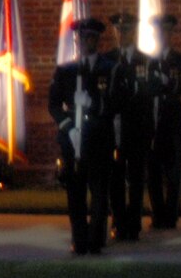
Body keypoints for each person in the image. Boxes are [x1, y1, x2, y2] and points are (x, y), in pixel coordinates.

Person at [49, 17, 127, 256]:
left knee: (99, 192)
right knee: (75, 192)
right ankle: (78, 239)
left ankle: (95, 240)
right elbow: (53, 105)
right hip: (73, 139)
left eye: (91, 38)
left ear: (97, 40)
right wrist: (68, 127)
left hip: (99, 137)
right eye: (82, 38)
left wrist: (95, 104)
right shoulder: (66, 70)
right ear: (77, 40)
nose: (86, 42)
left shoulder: (110, 69)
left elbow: (118, 102)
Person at [144, 13, 181, 229]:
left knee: (173, 173)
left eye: (167, 30)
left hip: (173, 123)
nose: (163, 35)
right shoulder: (146, 61)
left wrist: (168, 85)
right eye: (159, 31)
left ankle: (171, 216)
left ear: (171, 33)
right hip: (152, 124)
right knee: (153, 172)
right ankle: (158, 214)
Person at [108, 12, 154, 242]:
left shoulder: (145, 61)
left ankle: (134, 224)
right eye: (118, 30)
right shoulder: (107, 60)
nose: (122, 34)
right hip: (113, 130)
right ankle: (117, 222)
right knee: (114, 180)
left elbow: (149, 99)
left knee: (136, 180)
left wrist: (149, 131)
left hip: (136, 129)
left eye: (126, 30)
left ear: (134, 32)